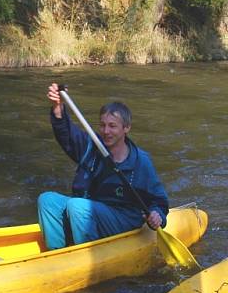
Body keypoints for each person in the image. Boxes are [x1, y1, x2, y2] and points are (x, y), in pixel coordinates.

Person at [37, 83, 169, 250]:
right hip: (89, 212)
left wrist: (158, 216)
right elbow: (67, 136)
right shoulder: (91, 148)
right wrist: (57, 109)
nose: (106, 131)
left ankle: (88, 257)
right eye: (102, 125)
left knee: (77, 207)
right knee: (47, 200)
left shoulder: (141, 162)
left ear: (126, 128)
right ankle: (57, 253)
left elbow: (159, 201)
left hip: (123, 220)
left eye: (112, 126)